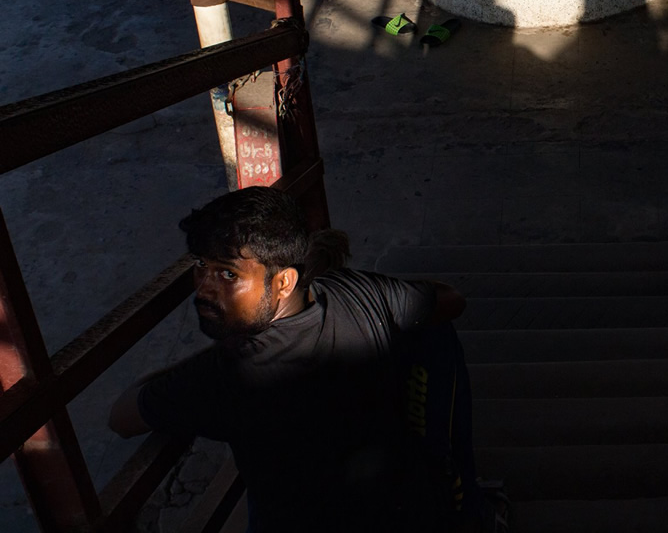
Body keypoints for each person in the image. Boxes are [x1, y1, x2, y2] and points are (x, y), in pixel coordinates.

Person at [108, 187, 498, 533]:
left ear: (284, 282)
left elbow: (121, 418)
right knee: (431, 337)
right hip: (403, 508)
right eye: (200, 267)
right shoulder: (359, 292)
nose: (204, 290)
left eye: (227, 274)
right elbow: (452, 301)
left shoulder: (224, 376)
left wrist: (177, 371)